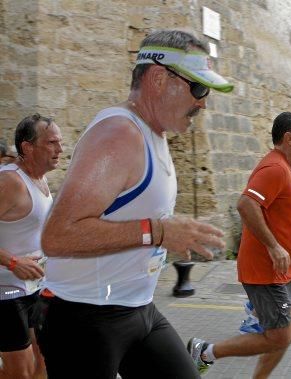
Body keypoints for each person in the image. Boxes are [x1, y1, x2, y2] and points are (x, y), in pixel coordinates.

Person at [37, 30, 232, 379]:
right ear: (159, 78)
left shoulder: (153, 132)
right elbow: (58, 236)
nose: (203, 103)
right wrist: (158, 232)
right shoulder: (119, 134)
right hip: (86, 317)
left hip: (137, 309)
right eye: (199, 89)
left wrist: (170, 229)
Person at [188, 112, 291, 378]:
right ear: (290, 138)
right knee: (280, 336)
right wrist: (273, 247)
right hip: (266, 270)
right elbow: (246, 204)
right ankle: (205, 352)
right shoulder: (274, 168)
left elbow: (278, 212)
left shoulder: (288, 169)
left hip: (285, 268)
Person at [0, 114, 63, 379]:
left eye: (60, 142)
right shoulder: (10, 182)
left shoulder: (41, 178)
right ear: (28, 147)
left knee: (48, 359)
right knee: (21, 373)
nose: (60, 149)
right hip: (5, 291)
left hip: (35, 287)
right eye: (51, 143)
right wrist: (13, 262)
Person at [238, 162, 291, 334]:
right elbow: (254, 203)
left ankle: (256, 304)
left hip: (290, 231)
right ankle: (254, 317)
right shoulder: (275, 167)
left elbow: (288, 201)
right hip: (276, 232)